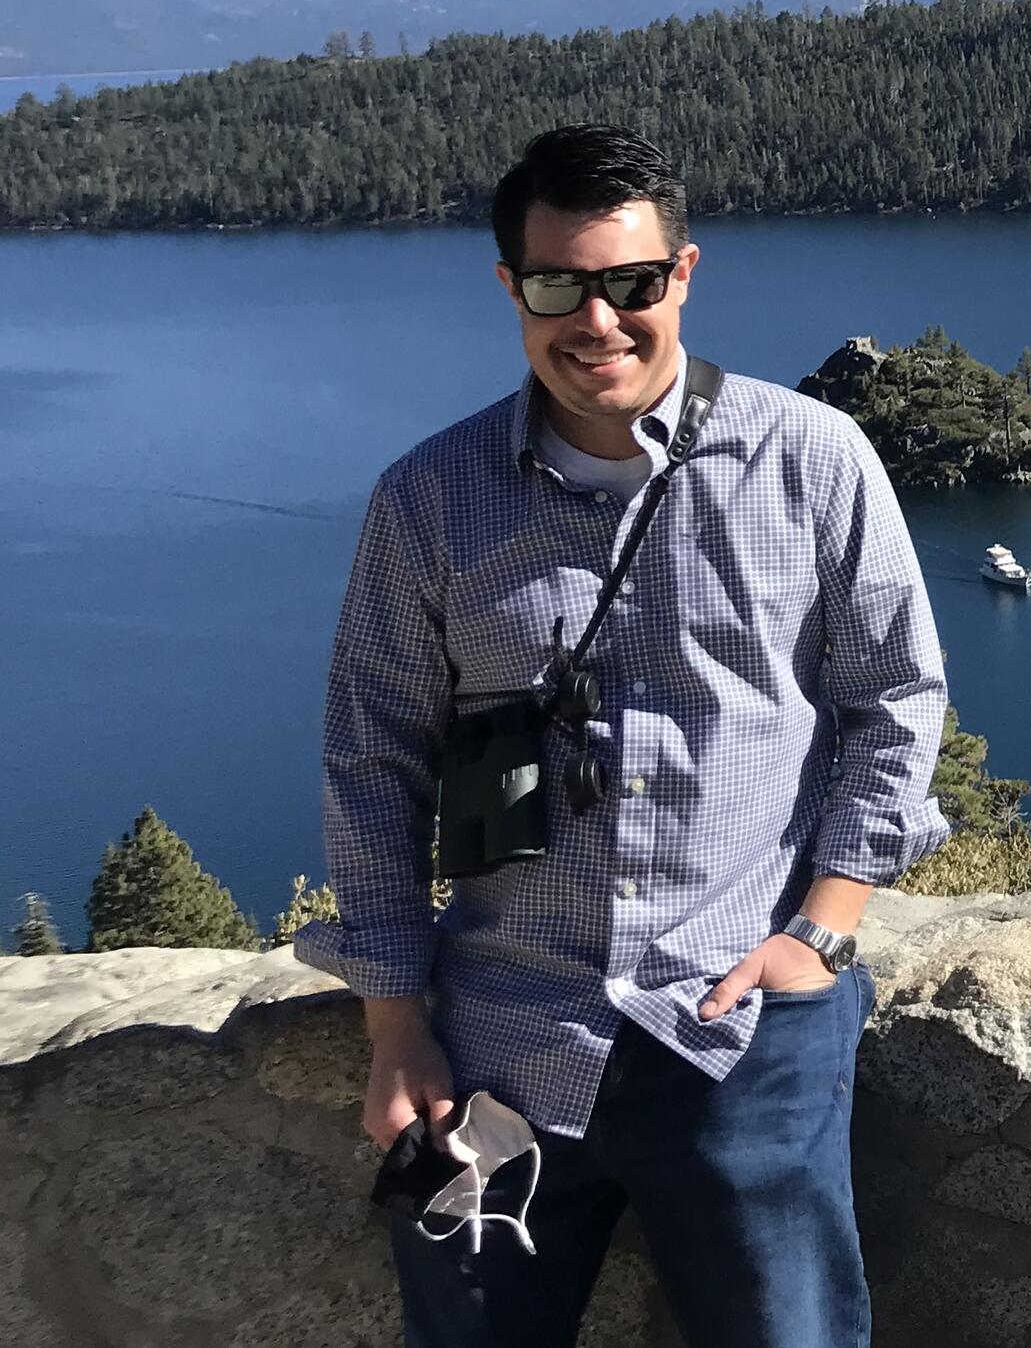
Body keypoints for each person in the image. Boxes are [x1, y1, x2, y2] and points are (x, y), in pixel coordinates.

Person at [295, 123, 950, 1348]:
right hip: (498, 1044)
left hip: (738, 1028)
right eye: (559, 285)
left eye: (631, 284)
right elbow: (372, 761)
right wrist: (394, 1023)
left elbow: (895, 701)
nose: (597, 321)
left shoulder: (807, 459)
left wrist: (826, 923)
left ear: (682, 274)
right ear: (512, 287)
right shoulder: (429, 500)